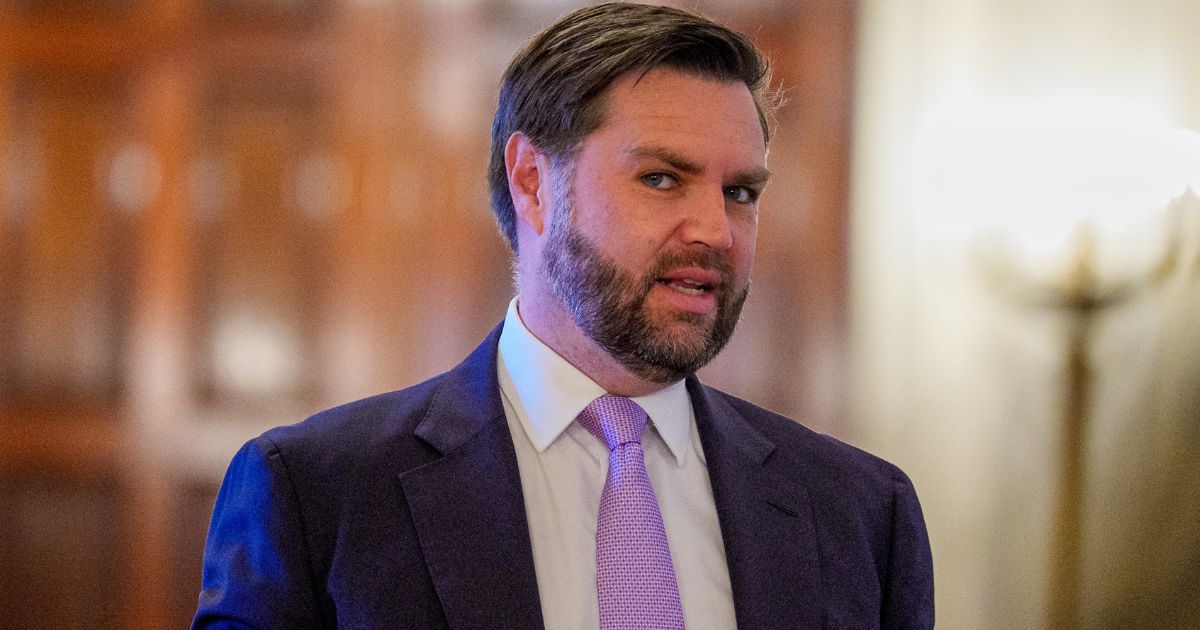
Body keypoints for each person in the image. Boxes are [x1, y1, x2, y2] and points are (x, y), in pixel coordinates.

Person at [192, 3, 934, 629]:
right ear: (532, 182)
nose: (715, 230)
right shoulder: (317, 495)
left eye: (740, 192)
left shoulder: (863, 514)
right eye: (661, 178)